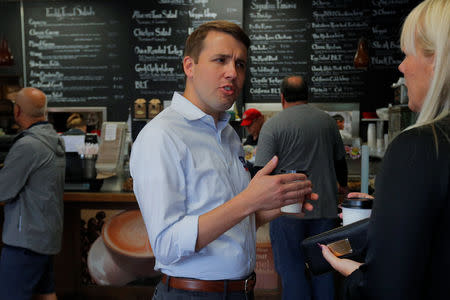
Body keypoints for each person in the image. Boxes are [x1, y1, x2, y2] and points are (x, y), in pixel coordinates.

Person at [130, 21, 318, 300]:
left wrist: (272, 206)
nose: (233, 72)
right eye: (220, 60)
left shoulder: (227, 134)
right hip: (191, 295)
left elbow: (226, 226)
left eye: (240, 64)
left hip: (241, 292)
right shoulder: (161, 135)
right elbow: (166, 244)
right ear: (189, 66)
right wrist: (250, 200)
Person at [320, 0, 450, 299]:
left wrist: (356, 276)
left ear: (437, 60)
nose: (401, 66)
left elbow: (388, 289)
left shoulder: (418, 146)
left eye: (406, 54)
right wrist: (395, 208)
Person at [255, 75, 348, 300]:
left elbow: (260, 171)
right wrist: (343, 187)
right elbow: (340, 162)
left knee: (292, 271)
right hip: (325, 209)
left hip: (287, 211)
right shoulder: (327, 122)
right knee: (325, 270)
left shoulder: (272, 126)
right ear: (308, 96)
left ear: (282, 97)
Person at [0, 87, 66, 300]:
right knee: (45, 295)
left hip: (24, 240)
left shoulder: (27, 146)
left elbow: (2, 192)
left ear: (17, 111)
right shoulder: (54, 140)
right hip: (44, 235)